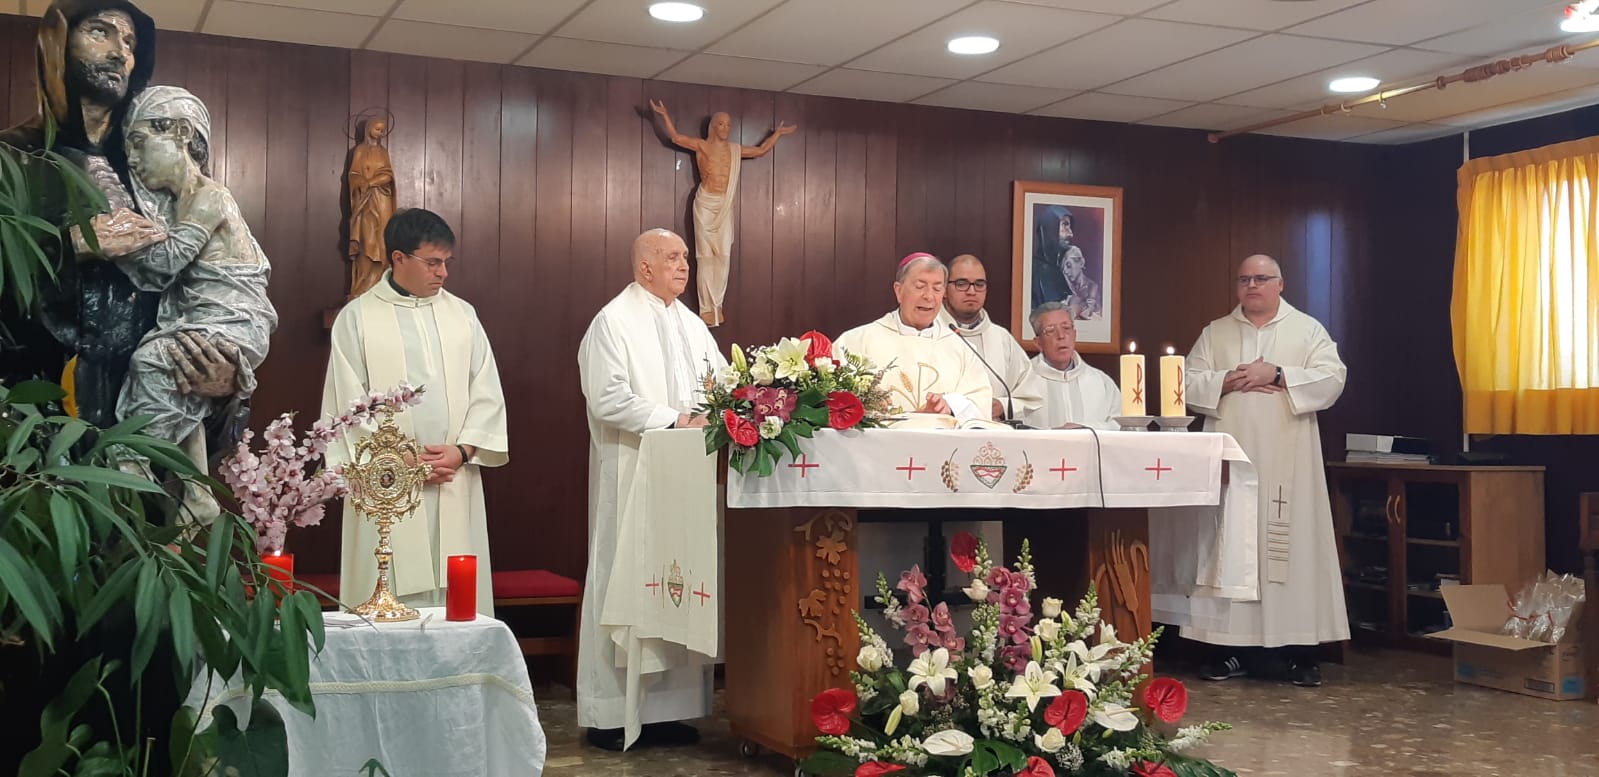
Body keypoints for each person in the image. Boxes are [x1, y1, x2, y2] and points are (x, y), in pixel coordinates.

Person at [577, 228, 726, 751]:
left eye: (685, 257)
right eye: (672, 257)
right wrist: (676, 419)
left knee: (681, 577)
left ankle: (670, 712)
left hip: (686, 478)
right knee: (626, 577)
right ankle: (611, 714)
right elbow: (606, 397)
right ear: (645, 267)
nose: (684, 265)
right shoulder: (613, 322)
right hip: (633, 472)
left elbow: (722, 386)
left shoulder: (693, 325)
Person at [322, 208, 509, 617]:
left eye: (446, 262)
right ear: (398, 258)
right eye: (433, 262)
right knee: (387, 600)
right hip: (387, 483)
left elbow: (487, 391)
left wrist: (462, 451)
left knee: (456, 601)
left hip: (452, 477)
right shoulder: (358, 318)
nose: (443, 273)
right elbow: (345, 407)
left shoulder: (463, 315)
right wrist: (399, 461)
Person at [1182, 254, 1348, 688]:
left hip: (1289, 463)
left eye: (1261, 278)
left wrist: (1276, 373)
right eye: (1244, 279)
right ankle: (1225, 649)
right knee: (1229, 547)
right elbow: (1188, 381)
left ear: (1280, 284)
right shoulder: (1216, 332)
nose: (1252, 285)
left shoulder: (1307, 330)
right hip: (1233, 459)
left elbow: (1332, 379)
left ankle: (1300, 653)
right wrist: (1227, 380)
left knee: (1292, 548)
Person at [110, 86, 276, 467]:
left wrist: (113, 243)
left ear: (182, 133)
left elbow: (168, 262)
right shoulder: (176, 206)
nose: (132, 159)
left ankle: (133, 464)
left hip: (231, 320)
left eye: (139, 142)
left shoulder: (210, 196)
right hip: (208, 318)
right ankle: (192, 488)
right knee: (183, 382)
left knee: (152, 362)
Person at [648, 100, 796, 327]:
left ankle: (717, 304)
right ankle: (707, 308)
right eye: (721, 124)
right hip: (706, 204)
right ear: (712, 127)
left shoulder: (735, 150)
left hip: (724, 205)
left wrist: (778, 134)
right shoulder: (702, 146)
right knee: (705, 257)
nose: (725, 128)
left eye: (728, 125)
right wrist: (664, 115)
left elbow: (760, 151)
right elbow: (676, 138)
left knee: (723, 257)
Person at [835, 252, 992, 421]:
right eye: (919, 286)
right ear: (899, 291)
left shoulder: (961, 348)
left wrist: (950, 405)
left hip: (942, 437)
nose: (929, 296)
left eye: (937, 288)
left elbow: (980, 401)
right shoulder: (857, 341)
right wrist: (864, 397)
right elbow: (831, 392)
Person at [937, 254, 1043, 423]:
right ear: (944, 290)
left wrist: (1001, 406)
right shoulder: (930, 332)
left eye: (979, 284)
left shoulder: (1001, 339)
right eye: (962, 284)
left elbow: (1030, 395)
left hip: (992, 433)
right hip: (943, 431)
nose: (971, 291)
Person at [1022, 302, 1118, 430]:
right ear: (1038, 343)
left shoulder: (1101, 382)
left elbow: (1120, 425)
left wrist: (1086, 429)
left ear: (1074, 334)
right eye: (1050, 331)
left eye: (1066, 328)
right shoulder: (1022, 380)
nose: (1061, 336)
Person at [347, 116, 395, 299]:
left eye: (382, 130)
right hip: (365, 202)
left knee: (382, 240)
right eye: (377, 129)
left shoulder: (383, 152)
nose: (380, 133)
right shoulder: (360, 150)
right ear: (368, 129)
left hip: (383, 200)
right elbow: (353, 174)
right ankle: (362, 287)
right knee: (367, 240)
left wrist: (373, 182)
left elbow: (389, 175)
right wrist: (362, 183)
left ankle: (380, 284)